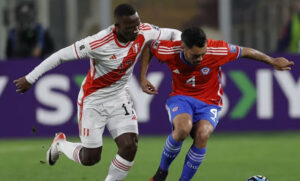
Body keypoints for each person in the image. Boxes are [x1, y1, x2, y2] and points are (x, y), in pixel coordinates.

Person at [13, 4, 181, 181]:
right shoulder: (98, 42)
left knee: (129, 146)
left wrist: (180, 48)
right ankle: (60, 144)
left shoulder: (143, 31)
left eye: (137, 25)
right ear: (117, 27)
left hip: (119, 96)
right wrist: (30, 78)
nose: (135, 31)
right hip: (93, 100)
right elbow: (61, 55)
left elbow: (174, 34)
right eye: (130, 27)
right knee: (91, 157)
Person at [139, 27, 294, 181]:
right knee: (182, 130)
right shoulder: (169, 50)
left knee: (203, 134)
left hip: (209, 101)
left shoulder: (217, 49)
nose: (200, 58)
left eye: (203, 54)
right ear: (183, 47)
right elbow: (150, 46)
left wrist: (272, 61)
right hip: (181, 97)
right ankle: (161, 173)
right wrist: (142, 77)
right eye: (195, 55)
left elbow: (246, 51)